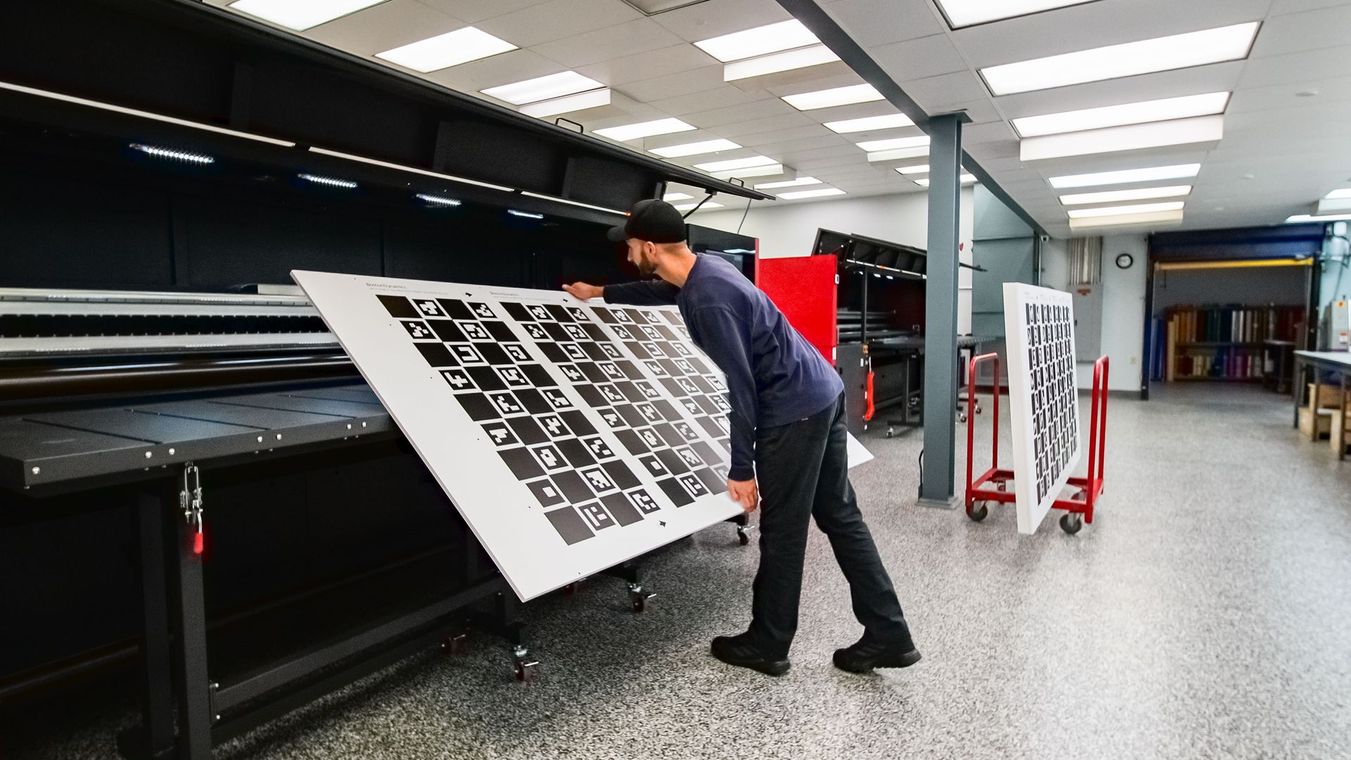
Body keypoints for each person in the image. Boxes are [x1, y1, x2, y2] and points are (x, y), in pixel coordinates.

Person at [563, 199, 919, 677]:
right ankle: (889, 633)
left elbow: (741, 386)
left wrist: (740, 468)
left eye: (630, 249)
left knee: (783, 533)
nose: (628, 257)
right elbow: (663, 292)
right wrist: (600, 292)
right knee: (840, 515)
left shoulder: (709, 300)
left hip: (792, 413)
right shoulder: (706, 268)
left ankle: (768, 643)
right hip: (822, 392)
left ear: (650, 246)